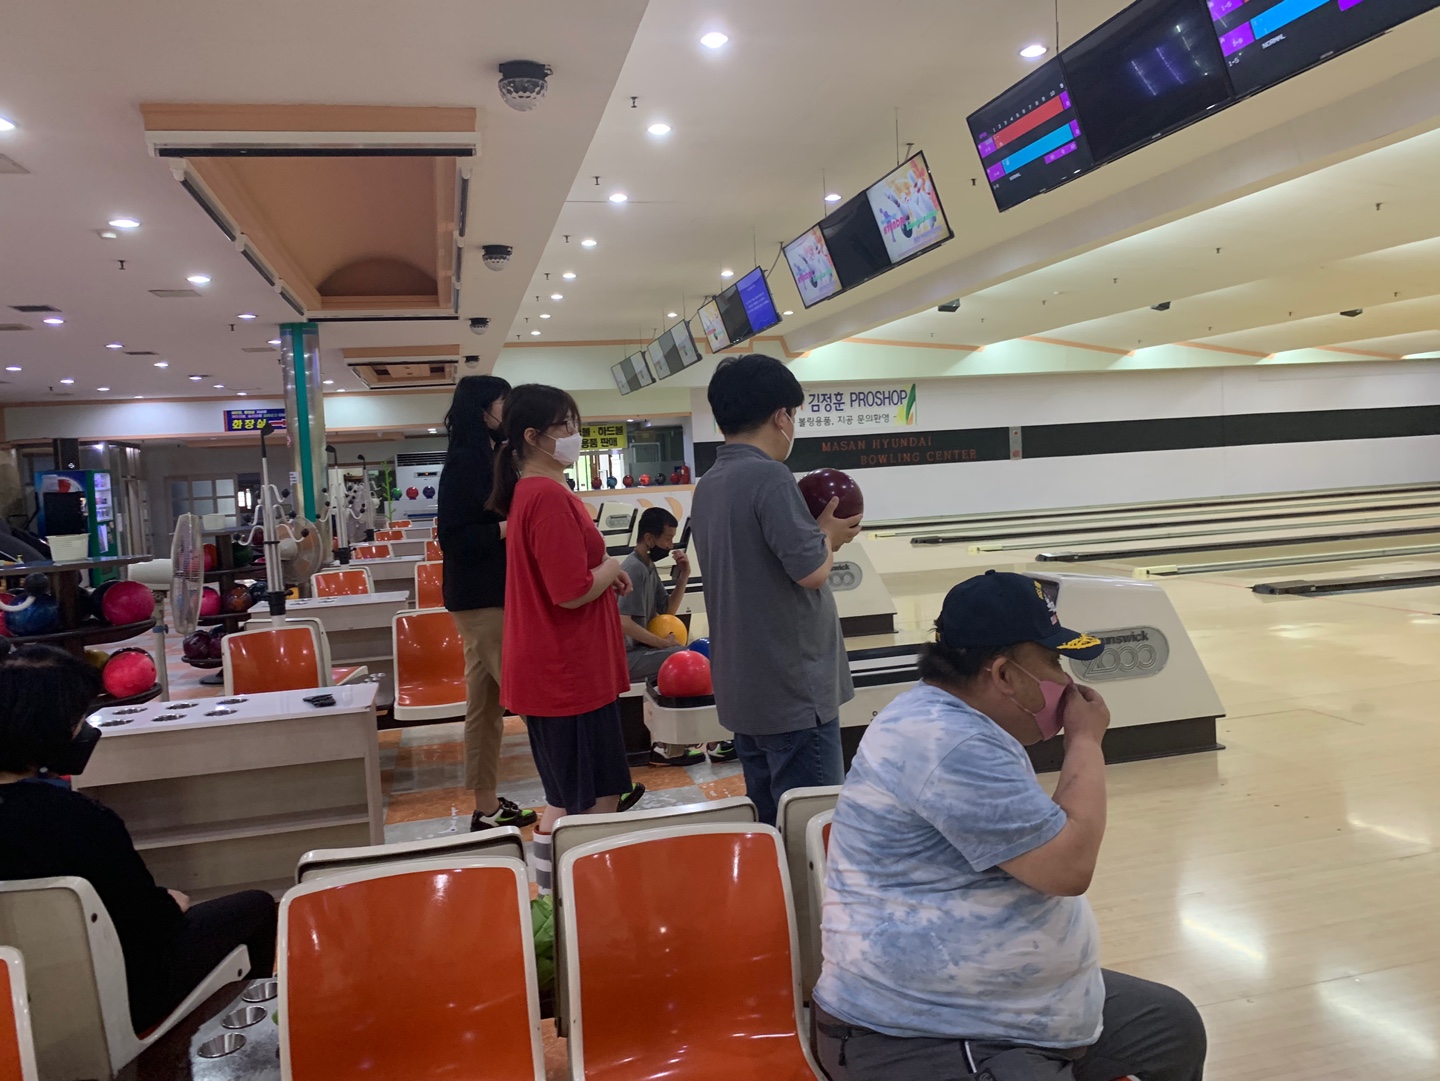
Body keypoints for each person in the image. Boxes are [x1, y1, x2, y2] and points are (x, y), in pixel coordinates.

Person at [812, 571, 1207, 1081]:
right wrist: (1085, 741)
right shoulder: (948, 742)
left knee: (1168, 1025)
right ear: (1003, 674)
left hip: (1005, 1007)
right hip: (919, 1028)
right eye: (1054, 662)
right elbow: (1068, 867)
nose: (1067, 683)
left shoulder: (961, 721)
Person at [0, 643, 277, 1034]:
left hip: (17, 1006)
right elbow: (149, 927)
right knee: (257, 908)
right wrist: (170, 903)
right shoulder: (82, 820)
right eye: (78, 719)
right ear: (50, 730)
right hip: (119, 995)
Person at [689, 354, 862, 826]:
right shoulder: (769, 475)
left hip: (744, 689)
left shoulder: (710, 484)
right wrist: (829, 534)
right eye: (794, 415)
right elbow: (812, 571)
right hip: (792, 692)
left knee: (771, 824)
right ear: (781, 416)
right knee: (811, 827)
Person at [490, 384, 644, 893]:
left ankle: (561, 903)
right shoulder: (548, 496)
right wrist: (611, 567)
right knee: (584, 803)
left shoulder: (532, 492)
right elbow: (570, 591)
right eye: (565, 426)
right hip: (566, 676)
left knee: (576, 798)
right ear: (533, 437)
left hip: (561, 672)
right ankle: (571, 904)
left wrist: (602, 573)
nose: (574, 435)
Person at [436, 374, 538, 831]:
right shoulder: (466, 461)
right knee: (533, 694)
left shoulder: (492, 455)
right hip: (482, 599)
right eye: (503, 402)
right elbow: (453, 538)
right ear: (483, 411)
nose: (509, 409)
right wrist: (508, 527)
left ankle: (486, 807)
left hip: (485, 597)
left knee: (485, 706)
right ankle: (584, 786)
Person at [616, 506, 735, 767]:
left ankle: (674, 746)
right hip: (624, 659)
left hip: (638, 653)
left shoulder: (647, 567)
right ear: (649, 539)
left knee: (689, 655)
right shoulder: (634, 568)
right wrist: (663, 644)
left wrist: (684, 576)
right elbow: (623, 622)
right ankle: (706, 742)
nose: (671, 545)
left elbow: (667, 611)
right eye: (668, 539)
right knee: (688, 660)